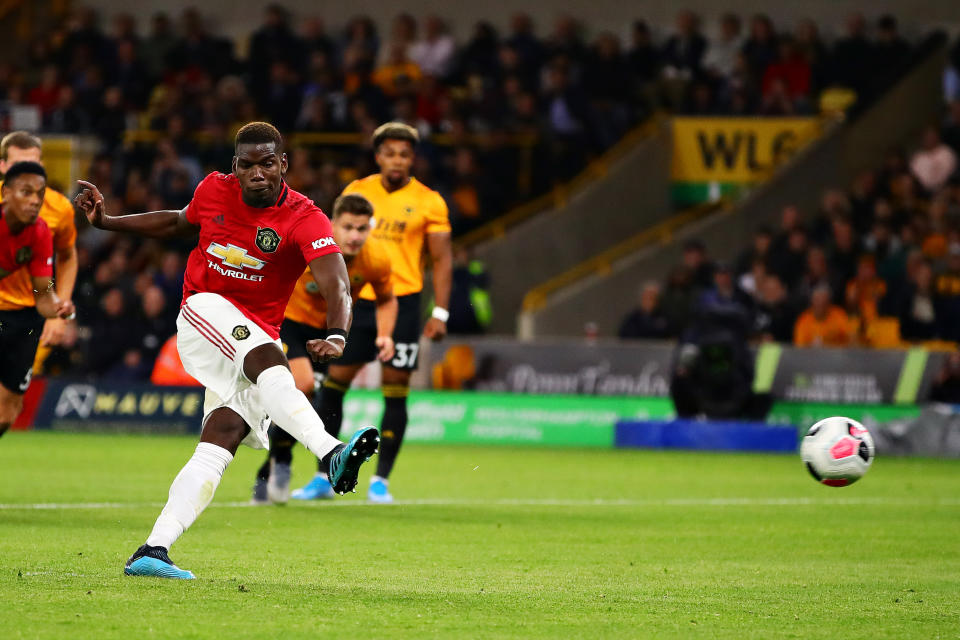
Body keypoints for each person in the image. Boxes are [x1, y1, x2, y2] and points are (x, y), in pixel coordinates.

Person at [74, 122, 379, 579]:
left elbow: (337, 281)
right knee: (271, 362)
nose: (257, 173)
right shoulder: (214, 190)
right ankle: (330, 451)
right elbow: (178, 221)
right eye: (247, 164)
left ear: (284, 165)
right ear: (235, 166)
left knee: (222, 436)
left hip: (257, 335)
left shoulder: (305, 217)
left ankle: (153, 549)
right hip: (203, 311)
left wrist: (337, 333)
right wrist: (108, 221)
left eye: (267, 163)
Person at [293, 122, 452, 504]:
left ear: (412, 159)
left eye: (404, 153)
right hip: (356, 297)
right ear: (377, 156)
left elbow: (442, 258)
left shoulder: (430, 201)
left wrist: (441, 311)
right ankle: (323, 473)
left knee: (395, 393)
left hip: (404, 301)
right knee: (333, 386)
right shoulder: (357, 191)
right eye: (390, 153)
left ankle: (381, 481)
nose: (397, 160)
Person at [252, 193, 398, 504]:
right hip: (289, 321)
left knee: (308, 400)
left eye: (362, 228)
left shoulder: (377, 259)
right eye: (348, 227)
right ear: (333, 225)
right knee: (302, 386)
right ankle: (280, 459)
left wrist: (385, 334)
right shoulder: (308, 245)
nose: (355, 236)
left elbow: (386, 299)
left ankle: (278, 456)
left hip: (330, 333)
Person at [0, 162, 75, 437]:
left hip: (23, 318)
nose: (35, 201)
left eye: (40, 194)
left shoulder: (40, 231)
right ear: (5, 193)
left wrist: (58, 309)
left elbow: (41, 293)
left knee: (8, 413)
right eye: (26, 192)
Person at [0, 132, 78, 378]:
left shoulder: (58, 209)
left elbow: (67, 256)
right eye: (16, 165)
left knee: (5, 414)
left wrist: (58, 317)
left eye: (31, 165)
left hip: (29, 314)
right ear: (2, 166)